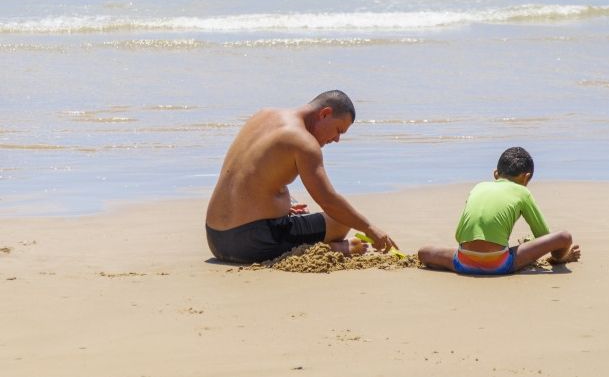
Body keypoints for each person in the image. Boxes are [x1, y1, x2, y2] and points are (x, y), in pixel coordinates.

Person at [205, 90, 397, 263]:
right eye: (339, 130)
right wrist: (370, 228)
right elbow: (328, 201)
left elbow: (252, 175)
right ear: (325, 114)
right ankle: (334, 248)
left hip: (215, 239)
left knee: (307, 214)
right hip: (251, 244)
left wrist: (285, 203)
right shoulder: (303, 142)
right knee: (339, 222)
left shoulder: (264, 115)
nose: (337, 140)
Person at [418, 147, 580, 275]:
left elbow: (459, 235)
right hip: (500, 264)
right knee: (564, 237)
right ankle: (560, 260)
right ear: (526, 177)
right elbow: (543, 234)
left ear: (496, 174)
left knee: (424, 252)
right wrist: (559, 255)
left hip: (463, 262)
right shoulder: (522, 192)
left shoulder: (478, 187)